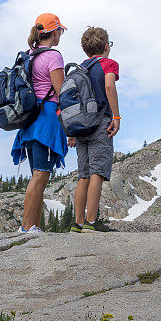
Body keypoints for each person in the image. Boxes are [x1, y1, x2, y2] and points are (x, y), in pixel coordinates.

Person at [11, 13, 69, 233]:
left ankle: (33, 226)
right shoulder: (53, 56)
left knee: (38, 174)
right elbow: (61, 90)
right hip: (45, 121)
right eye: (60, 31)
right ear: (54, 31)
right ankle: (26, 228)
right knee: (41, 175)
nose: (60, 35)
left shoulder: (29, 55)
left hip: (29, 120)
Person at [69, 26, 120, 232]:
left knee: (84, 175)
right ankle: (91, 222)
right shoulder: (109, 63)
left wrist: (71, 131)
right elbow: (109, 86)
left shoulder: (78, 69)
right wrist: (116, 116)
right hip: (100, 123)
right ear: (106, 46)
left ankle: (78, 223)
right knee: (97, 172)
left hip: (80, 127)